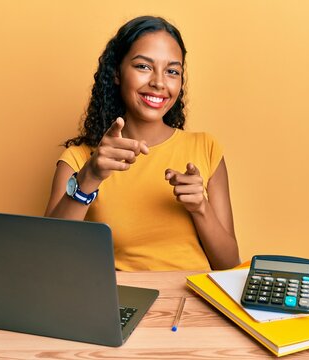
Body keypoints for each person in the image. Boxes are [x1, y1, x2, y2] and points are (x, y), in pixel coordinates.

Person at [45, 16, 239, 271]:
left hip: (195, 305)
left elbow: (229, 265)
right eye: (143, 67)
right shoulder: (80, 159)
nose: (159, 82)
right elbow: (48, 257)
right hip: (120, 305)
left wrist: (201, 208)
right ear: (116, 73)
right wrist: (89, 177)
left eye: (172, 71)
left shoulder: (206, 148)